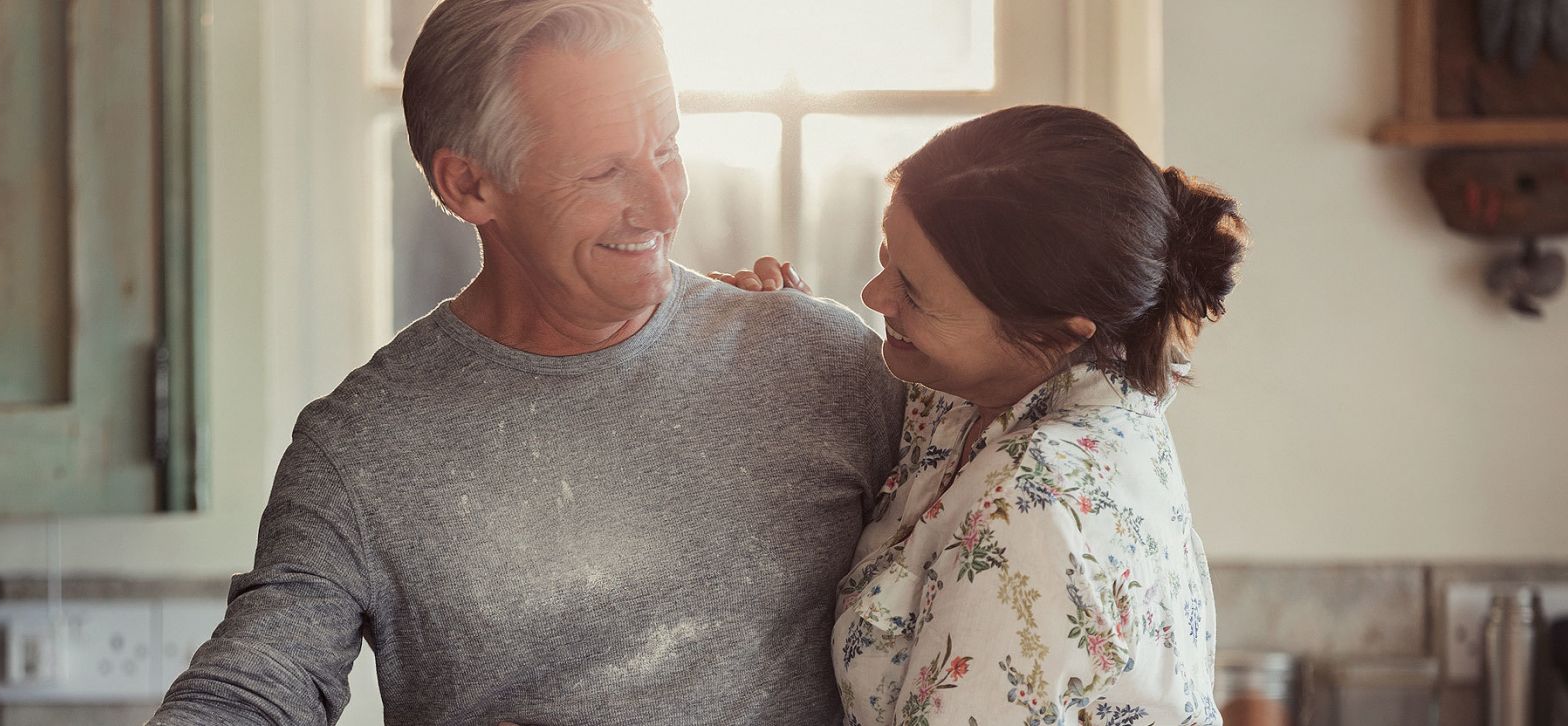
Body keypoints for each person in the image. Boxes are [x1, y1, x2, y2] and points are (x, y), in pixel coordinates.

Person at [147, 1, 905, 724]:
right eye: (605, 171)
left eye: (666, 149)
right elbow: (252, 693)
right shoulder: (361, 449)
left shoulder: (821, 363)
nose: (664, 207)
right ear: (469, 184)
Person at [719, 104, 1242, 725]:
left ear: (1050, 332)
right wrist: (793, 331)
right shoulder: (987, 401)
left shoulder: (1032, 506)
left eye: (913, 290)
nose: (873, 295)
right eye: (887, 256)